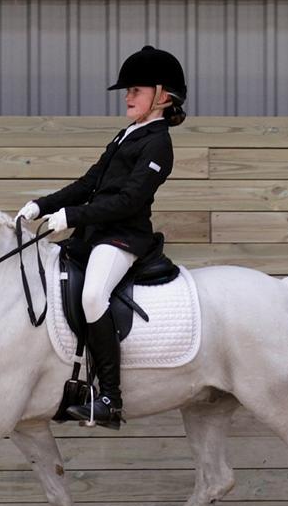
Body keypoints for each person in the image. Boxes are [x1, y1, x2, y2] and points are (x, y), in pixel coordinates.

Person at [16, 45, 187, 427]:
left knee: (94, 295)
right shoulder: (128, 134)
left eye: (136, 90)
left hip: (123, 238)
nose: (127, 96)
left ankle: (109, 397)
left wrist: (72, 215)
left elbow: (129, 201)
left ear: (162, 96)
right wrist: (42, 205)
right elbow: (90, 182)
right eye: (127, 90)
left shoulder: (159, 143)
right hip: (94, 234)